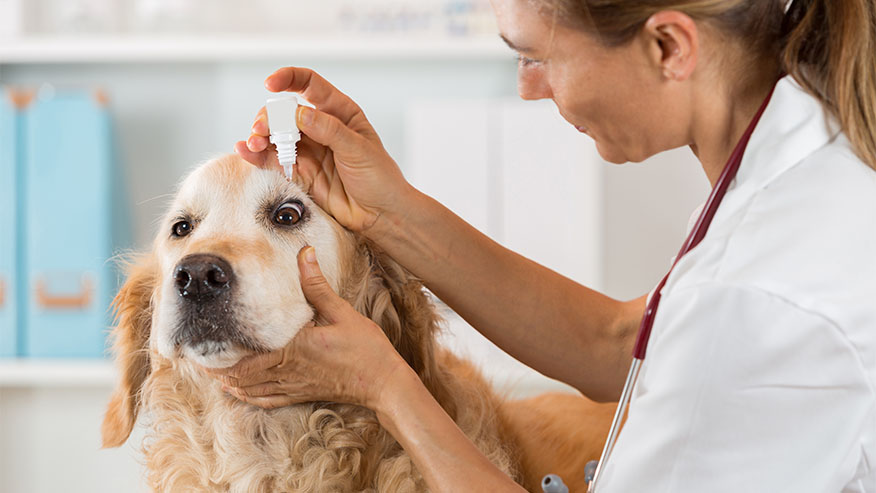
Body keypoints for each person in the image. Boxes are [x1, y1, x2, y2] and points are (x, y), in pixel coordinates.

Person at [211, 0, 876, 491]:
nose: (528, 88)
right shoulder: (809, 162)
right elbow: (622, 343)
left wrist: (386, 384)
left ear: (670, 46)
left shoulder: (758, 294)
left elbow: (702, 333)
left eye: (537, 57)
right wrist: (392, 213)